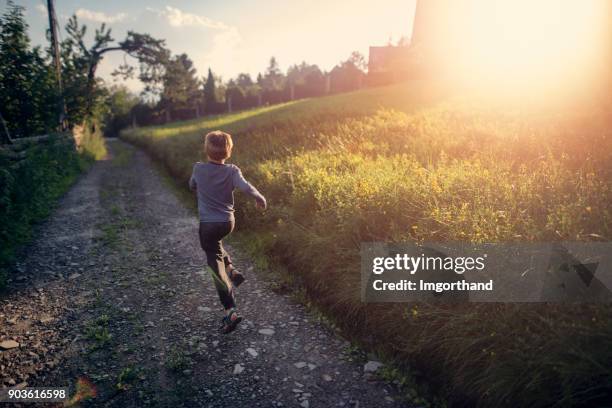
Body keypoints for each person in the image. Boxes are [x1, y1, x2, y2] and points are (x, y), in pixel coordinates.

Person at [189, 130, 267, 334]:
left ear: (206, 149)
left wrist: (199, 188)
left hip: (208, 225)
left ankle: (230, 309)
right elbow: (246, 187)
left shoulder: (198, 169)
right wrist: (259, 197)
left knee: (215, 266)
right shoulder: (232, 171)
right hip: (227, 223)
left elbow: (191, 185)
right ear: (229, 151)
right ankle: (231, 269)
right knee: (217, 245)